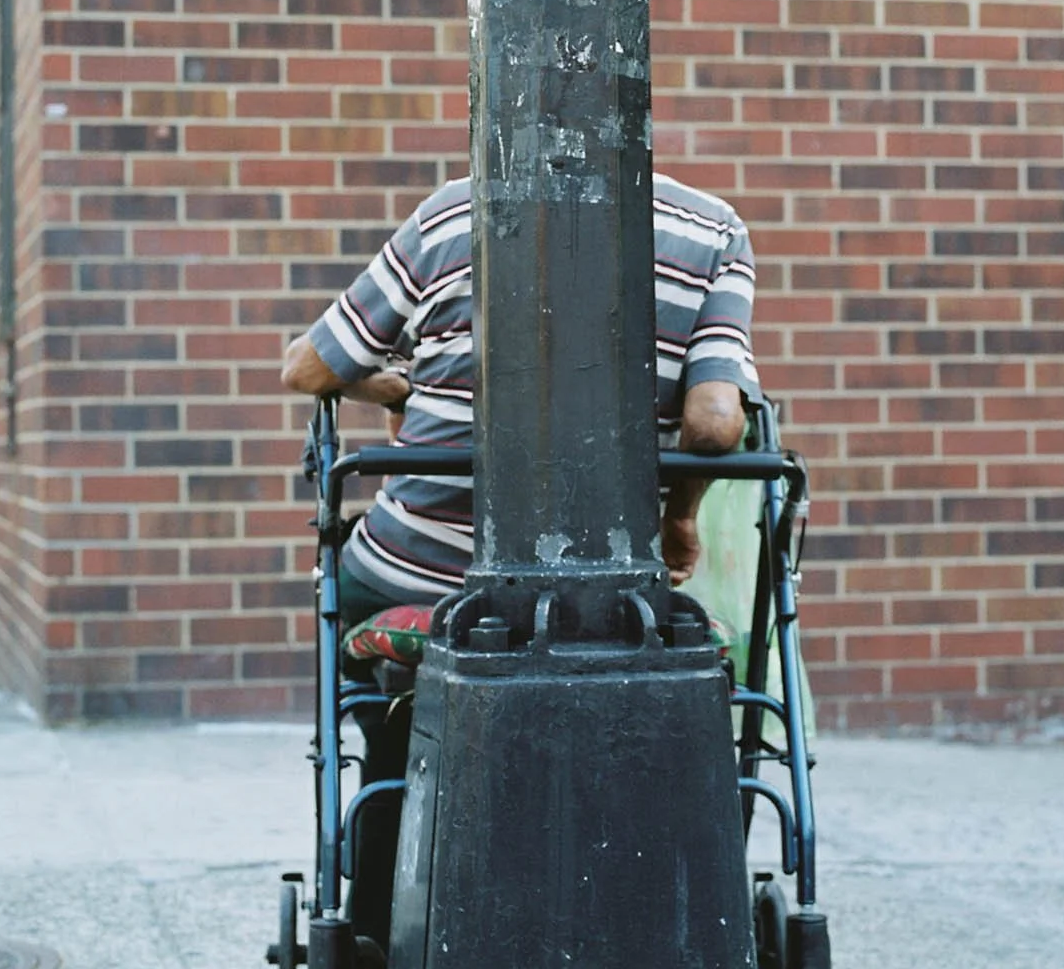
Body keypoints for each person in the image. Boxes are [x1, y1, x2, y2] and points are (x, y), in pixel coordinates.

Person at [280, 170, 760, 635]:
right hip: (620, 599)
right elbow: (714, 422)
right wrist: (678, 519)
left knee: (347, 588)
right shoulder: (714, 232)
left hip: (422, 576)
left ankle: (396, 714)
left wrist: (383, 386)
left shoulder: (454, 212)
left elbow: (304, 369)